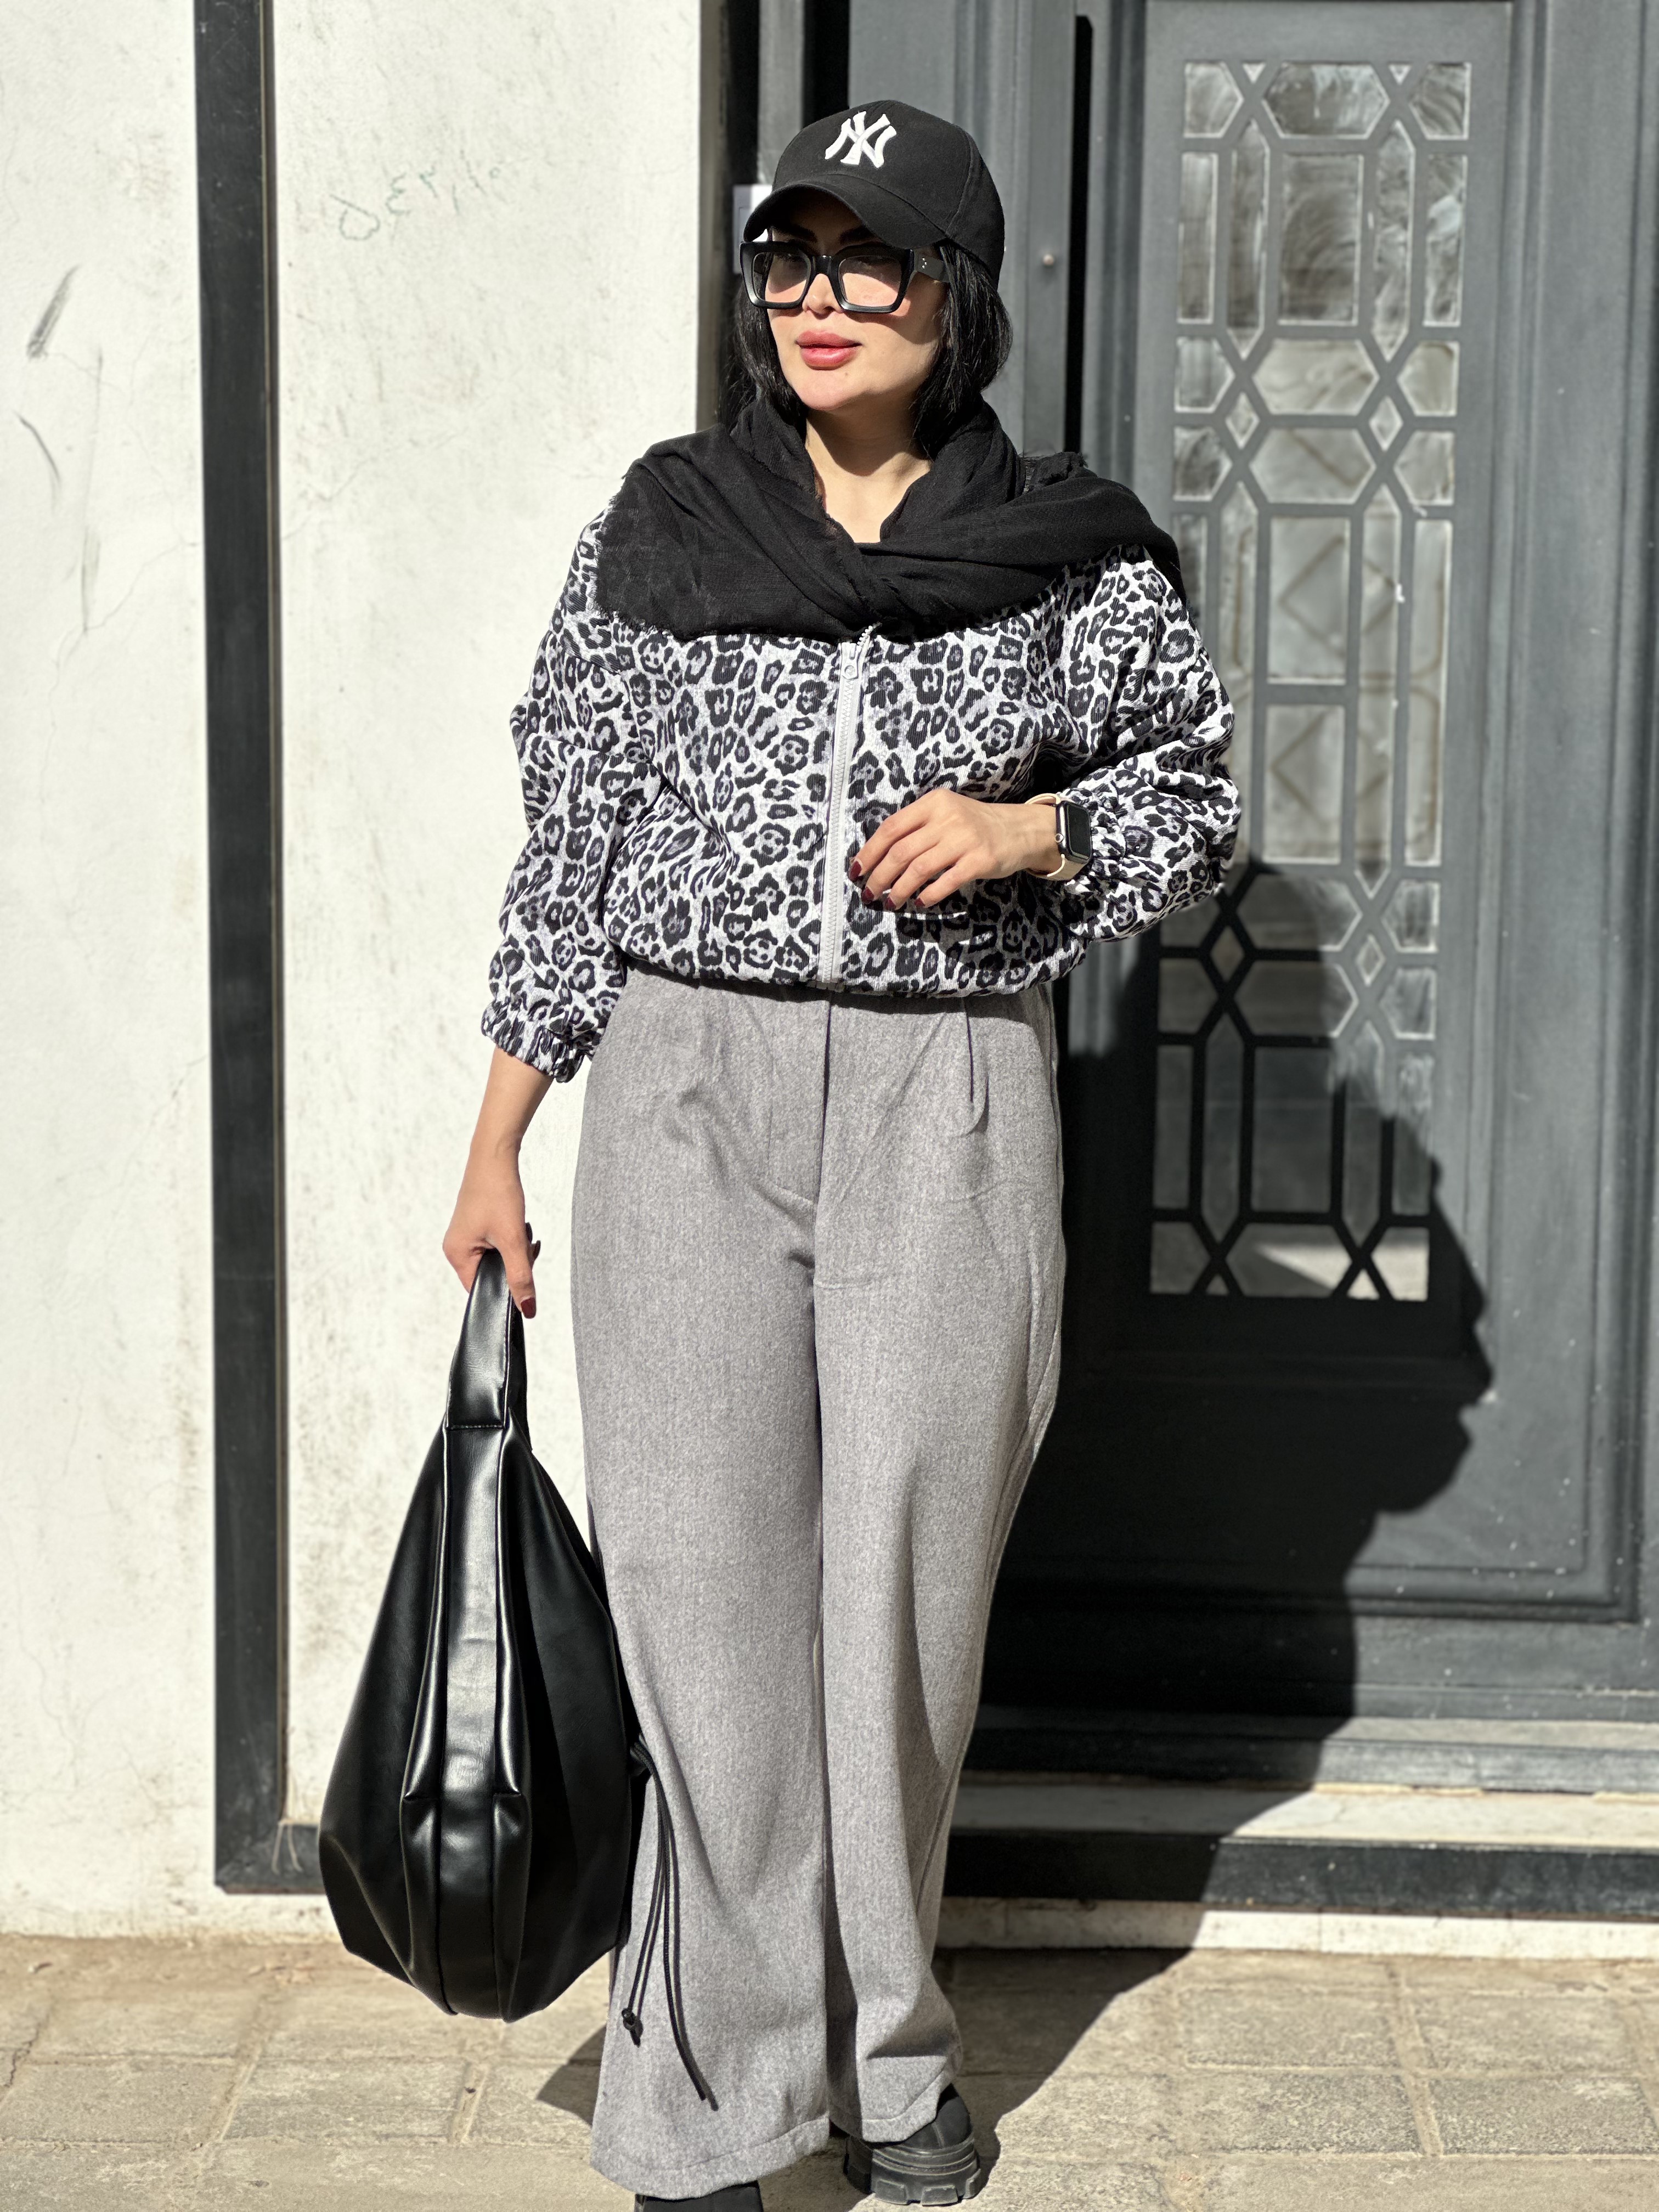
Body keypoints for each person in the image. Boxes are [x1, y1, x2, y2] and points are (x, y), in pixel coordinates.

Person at [444, 98, 1238, 2212]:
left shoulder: (1068, 557)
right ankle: (717, 2096)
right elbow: (573, 836)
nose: (820, 298)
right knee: (702, 1612)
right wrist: (502, 1131)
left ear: (952, 294)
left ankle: (890, 2063)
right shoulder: (664, 528)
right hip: (683, 1096)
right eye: (788, 258)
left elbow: (1195, 798)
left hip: (942, 1098)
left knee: (897, 1615)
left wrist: (1029, 825)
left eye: (866, 257)